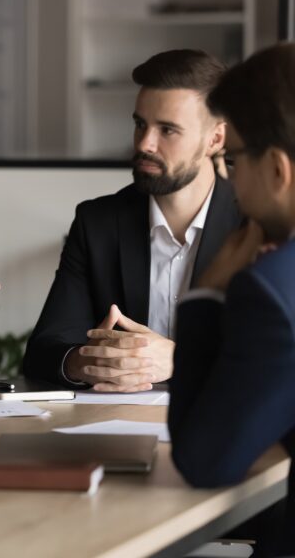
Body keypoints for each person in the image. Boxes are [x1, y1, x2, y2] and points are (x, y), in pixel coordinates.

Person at [24, 49, 241, 392]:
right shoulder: (97, 221)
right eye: (140, 124)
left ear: (216, 139)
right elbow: (43, 351)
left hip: (224, 432)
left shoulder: (256, 223)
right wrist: (88, 360)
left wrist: (181, 359)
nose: (144, 144)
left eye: (167, 130)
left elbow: (278, 360)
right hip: (118, 429)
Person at [168, 43, 295, 554]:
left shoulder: (270, 290)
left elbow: (205, 462)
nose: (229, 178)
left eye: (233, 158)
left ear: (278, 171)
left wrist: (204, 295)